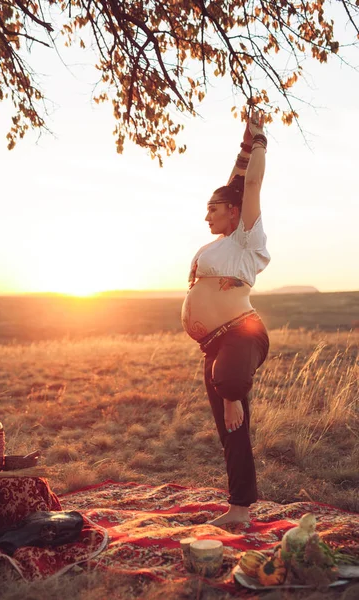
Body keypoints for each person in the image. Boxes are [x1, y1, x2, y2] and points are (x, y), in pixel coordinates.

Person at [181, 108, 270, 526]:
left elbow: (247, 183)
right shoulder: (218, 245)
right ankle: (239, 510)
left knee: (229, 385)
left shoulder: (245, 238)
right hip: (214, 344)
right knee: (229, 431)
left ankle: (232, 387)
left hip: (243, 334)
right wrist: (244, 140)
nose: (206, 216)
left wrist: (262, 140)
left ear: (235, 213)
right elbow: (235, 179)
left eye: (213, 209)